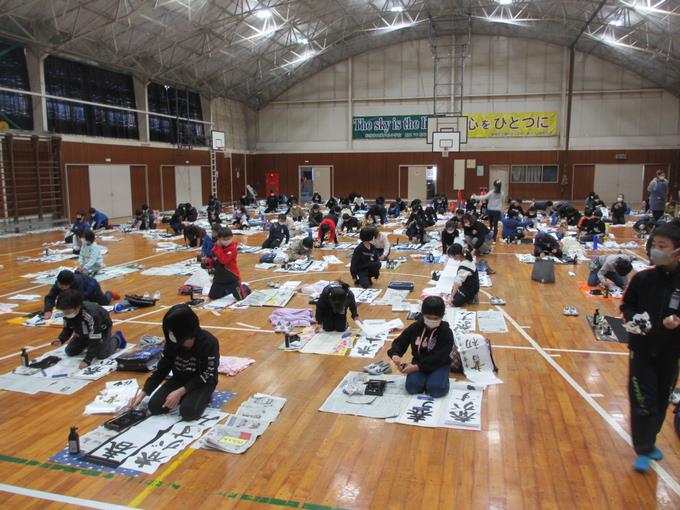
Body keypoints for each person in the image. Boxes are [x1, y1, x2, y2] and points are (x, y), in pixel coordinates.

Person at [620, 222, 680, 472]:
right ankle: (643, 448)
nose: (656, 250)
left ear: (676, 252)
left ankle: (650, 440)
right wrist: (632, 318)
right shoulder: (642, 279)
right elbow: (627, 305)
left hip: (671, 352)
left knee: (661, 400)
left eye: (662, 246)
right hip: (642, 350)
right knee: (642, 400)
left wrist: (676, 321)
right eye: (654, 245)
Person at [129, 304, 219, 421]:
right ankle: (186, 396)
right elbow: (162, 368)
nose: (170, 334)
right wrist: (144, 392)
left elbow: (208, 373)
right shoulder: (172, 343)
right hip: (179, 379)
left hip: (202, 381)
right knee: (155, 406)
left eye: (172, 331)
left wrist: (181, 392)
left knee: (189, 412)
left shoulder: (208, 343)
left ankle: (199, 395)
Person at [387, 296, 453, 398]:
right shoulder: (415, 327)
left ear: (442, 316)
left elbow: (440, 356)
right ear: (423, 314)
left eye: (436, 318)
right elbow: (400, 341)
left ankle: (437, 378)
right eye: (428, 317)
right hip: (418, 362)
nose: (432, 321)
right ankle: (427, 380)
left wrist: (417, 367)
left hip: (439, 364)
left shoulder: (446, 332)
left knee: (436, 390)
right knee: (412, 387)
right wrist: (395, 354)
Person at [51, 289, 124, 369]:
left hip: (101, 330)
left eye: (68, 311)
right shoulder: (67, 314)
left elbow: (95, 336)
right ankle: (87, 342)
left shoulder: (91, 314)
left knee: (101, 355)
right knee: (70, 351)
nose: (65, 313)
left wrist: (87, 360)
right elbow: (67, 328)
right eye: (63, 311)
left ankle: (117, 338)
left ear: (77, 307)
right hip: (82, 331)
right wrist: (61, 339)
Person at [43, 270, 118, 318]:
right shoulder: (58, 284)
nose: (60, 287)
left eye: (63, 286)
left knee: (104, 302)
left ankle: (110, 294)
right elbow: (50, 297)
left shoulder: (78, 283)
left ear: (70, 284)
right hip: (79, 292)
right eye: (59, 284)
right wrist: (48, 310)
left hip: (91, 288)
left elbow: (80, 300)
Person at [210, 227, 247, 300]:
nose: (227, 241)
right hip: (219, 278)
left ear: (232, 237)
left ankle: (245, 288)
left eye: (229, 239)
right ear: (219, 239)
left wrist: (218, 248)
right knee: (213, 297)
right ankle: (227, 290)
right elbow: (214, 260)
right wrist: (207, 263)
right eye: (224, 239)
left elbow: (224, 260)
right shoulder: (216, 247)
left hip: (232, 277)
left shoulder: (232, 248)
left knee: (241, 298)